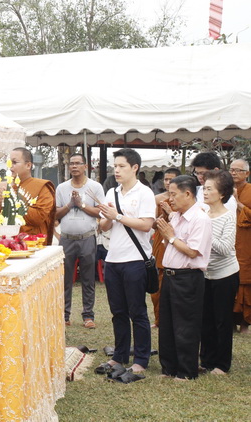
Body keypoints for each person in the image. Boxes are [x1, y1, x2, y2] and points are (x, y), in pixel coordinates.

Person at [96, 148, 156, 379]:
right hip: (113, 258)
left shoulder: (145, 193)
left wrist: (117, 216)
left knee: (137, 311)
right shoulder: (112, 192)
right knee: (118, 311)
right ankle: (119, 355)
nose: (117, 170)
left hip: (135, 259)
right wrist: (106, 217)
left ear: (135, 168)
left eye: (122, 166)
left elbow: (146, 225)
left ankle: (141, 359)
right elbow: (104, 225)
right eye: (115, 166)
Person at [155, 175, 212, 380]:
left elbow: (192, 252)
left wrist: (171, 236)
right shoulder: (177, 216)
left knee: (186, 325)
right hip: (170, 275)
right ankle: (169, 368)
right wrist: (169, 233)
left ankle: (186, 371)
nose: (170, 199)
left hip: (188, 277)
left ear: (187, 193)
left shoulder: (200, 219)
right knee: (167, 324)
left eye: (173, 194)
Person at [55, 153, 105, 329]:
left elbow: (101, 212)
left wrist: (81, 204)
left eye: (78, 163)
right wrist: (70, 204)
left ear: (86, 166)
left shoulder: (95, 187)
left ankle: (88, 316)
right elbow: (55, 213)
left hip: (87, 238)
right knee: (65, 279)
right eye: (71, 164)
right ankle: (64, 315)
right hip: (66, 238)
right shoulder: (62, 188)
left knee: (88, 278)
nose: (74, 166)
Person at [199, 170, 239, 375]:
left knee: (222, 320)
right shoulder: (202, 214)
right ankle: (206, 360)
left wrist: (205, 232)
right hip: (205, 273)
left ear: (222, 193)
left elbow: (225, 248)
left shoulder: (228, 216)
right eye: (204, 188)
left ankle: (222, 364)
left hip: (226, 274)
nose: (205, 192)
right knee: (205, 319)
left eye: (209, 189)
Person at [150, 167, 181, 327]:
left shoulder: (183, 200)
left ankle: (174, 319)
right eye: (166, 179)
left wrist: (171, 212)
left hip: (177, 241)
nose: (168, 182)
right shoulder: (158, 199)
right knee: (158, 285)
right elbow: (153, 224)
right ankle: (158, 319)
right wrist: (164, 214)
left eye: (171, 179)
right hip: (160, 242)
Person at [6, 147, 56, 243]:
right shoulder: (6, 188)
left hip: (32, 242)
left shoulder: (42, 187)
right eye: (9, 162)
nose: (10, 166)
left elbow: (39, 217)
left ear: (28, 165)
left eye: (14, 162)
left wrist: (13, 200)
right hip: (7, 241)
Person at [231, 158, 251, 333]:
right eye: (232, 170)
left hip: (246, 242)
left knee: (245, 280)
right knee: (229, 280)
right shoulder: (224, 190)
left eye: (238, 170)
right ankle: (230, 321)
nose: (234, 173)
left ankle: (245, 322)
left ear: (247, 173)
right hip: (229, 240)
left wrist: (238, 204)